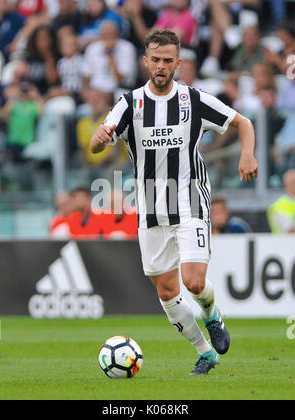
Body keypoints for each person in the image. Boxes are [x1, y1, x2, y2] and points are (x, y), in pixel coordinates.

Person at [90, 29, 258, 375]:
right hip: (150, 207)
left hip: (189, 199)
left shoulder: (193, 100)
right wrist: (98, 136)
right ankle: (205, 352)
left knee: (194, 282)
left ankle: (212, 315)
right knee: (167, 291)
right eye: (156, 60)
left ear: (178, 63)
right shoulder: (130, 103)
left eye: (168, 60)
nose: (162, 66)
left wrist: (247, 154)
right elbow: (96, 145)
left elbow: (243, 122)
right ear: (145, 62)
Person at [267, 170, 295, 234]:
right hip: (283, 243)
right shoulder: (280, 206)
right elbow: (290, 229)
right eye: (293, 182)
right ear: (285, 184)